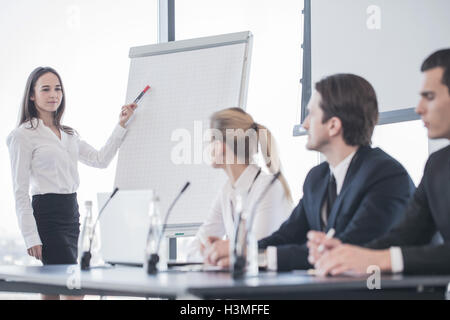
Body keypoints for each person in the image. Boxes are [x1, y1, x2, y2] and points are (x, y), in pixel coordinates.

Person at [204, 74, 416, 271]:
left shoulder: (385, 176)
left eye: (311, 114)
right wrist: (241, 251)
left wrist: (251, 256)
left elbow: (349, 249)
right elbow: (288, 236)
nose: (304, 124)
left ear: (333, 126)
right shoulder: (318, 178)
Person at [308, 49, 450, 276]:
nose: (418, 108)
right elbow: (406, 237)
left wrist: (384, 259)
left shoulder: (384, 172)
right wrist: (345, 253)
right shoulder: (437, 165)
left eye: (429, 97)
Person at [6, 67, 136, 299]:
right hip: (46, 215)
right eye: (45, 89)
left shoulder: (69, 135)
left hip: (70, 214)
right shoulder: (22, 135)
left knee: (54, 288)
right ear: (32, 95)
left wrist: (121, 125)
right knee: (73, 287)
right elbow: (19, 190)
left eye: (57, 89)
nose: (53, 94)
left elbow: (100, 160)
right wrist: (30, 236)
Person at [188, 107, 293, 261]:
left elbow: (257, 252)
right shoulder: (227, 191)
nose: (208, 147)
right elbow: (195, 247)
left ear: (221, 145)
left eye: (210, 141)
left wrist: (221, 249)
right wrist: (213, 251)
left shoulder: (268, 188)